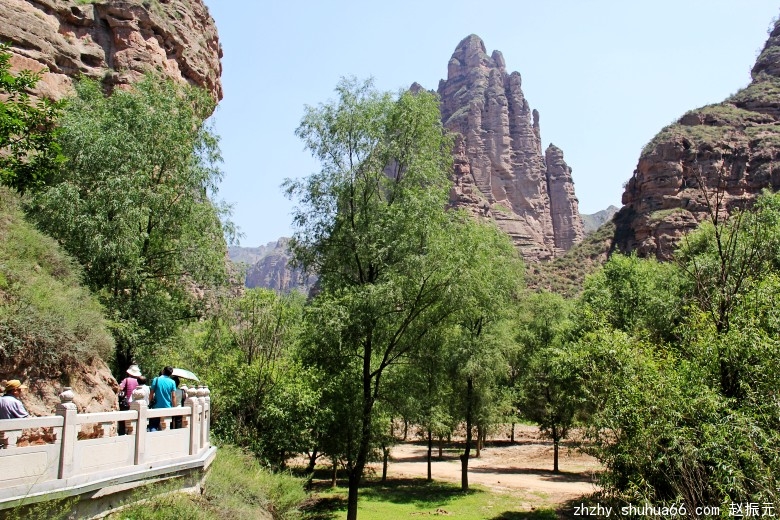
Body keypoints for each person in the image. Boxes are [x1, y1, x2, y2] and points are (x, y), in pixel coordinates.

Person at [117, 364, 144, 435]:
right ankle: (132, 433)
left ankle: (122, 433)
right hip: (136, 403)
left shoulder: (126, 380)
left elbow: (120, 388)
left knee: (122, 419)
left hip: (126, 403)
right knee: (134, 421)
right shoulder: (139, 381)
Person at [148, 366, 177, 432]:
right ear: (171, 374)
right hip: (168, 407)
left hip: (156, 406)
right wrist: (175, 408)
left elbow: (151, 393)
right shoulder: (172, 382)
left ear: (163, 371)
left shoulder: (156, 379)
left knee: (153, 425)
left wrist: (149, 402)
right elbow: (173, 396)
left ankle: (154, 435)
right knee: (166, 427)